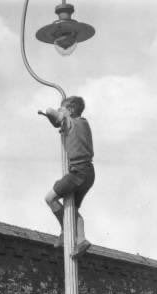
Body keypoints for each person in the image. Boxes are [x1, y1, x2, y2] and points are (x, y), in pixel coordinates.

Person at [42, 95, 94, 255]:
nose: (60, 111)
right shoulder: (83, 123)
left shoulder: (69, 121)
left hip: (77, 172)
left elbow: (52, 113)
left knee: (50, 198)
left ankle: (65, 231)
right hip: (89, 172)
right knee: (72, 209)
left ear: (70, 110)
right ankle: (81, 240)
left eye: (62, 108)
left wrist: (51, 113)